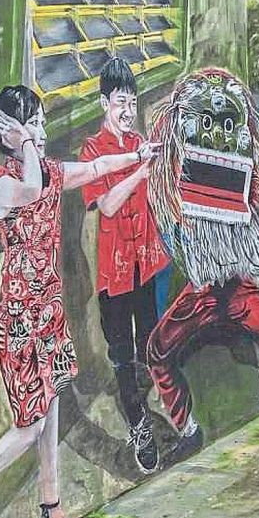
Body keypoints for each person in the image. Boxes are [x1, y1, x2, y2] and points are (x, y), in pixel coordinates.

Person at [0, 86, 160, 518]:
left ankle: (51, 506)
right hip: (19, 318)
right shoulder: (1, 184)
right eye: (30, 124)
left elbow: (96, 166)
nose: (39, 132)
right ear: (6, 133)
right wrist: (23, 143)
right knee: (31, 426)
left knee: (52, 407)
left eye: (40, 123)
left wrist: (139, 157)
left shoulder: (50, 171)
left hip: (48, 312)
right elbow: (34, 187)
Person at [78, 58, 169, 473]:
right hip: (114, 274)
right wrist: (140, 169)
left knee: (151, 342)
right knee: (121, 355)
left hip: (147, 265)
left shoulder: (141, 142)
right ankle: (139, 427)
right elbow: (109, 204)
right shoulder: (92, 151)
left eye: (132, 102)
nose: (127, 110)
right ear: (104, 104)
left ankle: (149, 404)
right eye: (120, 102)